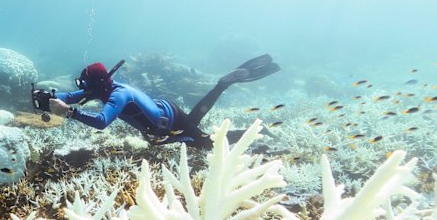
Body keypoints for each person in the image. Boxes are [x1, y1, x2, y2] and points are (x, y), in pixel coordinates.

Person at [49, 55, 280, 149]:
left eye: (85, 85)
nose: (82, 90)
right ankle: (221, 85)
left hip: (170, 122)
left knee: (207, 143)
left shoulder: (118, 95)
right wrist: (46, 97)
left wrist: (70, 113)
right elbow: (69, 97)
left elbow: (101, 122)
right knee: (196, 121)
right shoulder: (101, 89)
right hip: (166, 112)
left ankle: (258, 131)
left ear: (97, 84)